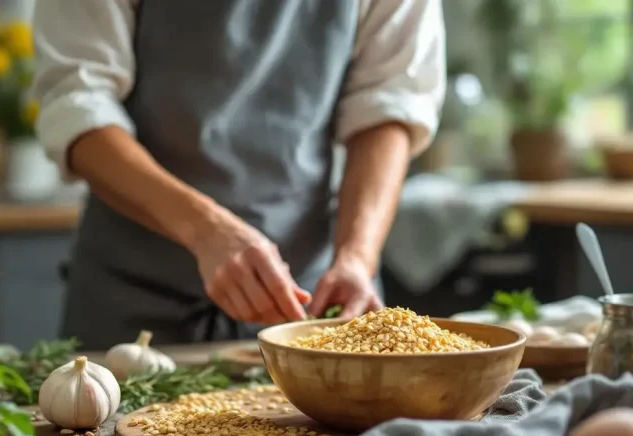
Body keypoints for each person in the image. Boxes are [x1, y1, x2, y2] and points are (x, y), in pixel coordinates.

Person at [31, 0, 445, 348]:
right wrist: (206, 230)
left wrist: (356, 257)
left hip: (305, 299)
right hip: (132, 297)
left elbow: (391, 104)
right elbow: (78, 103)